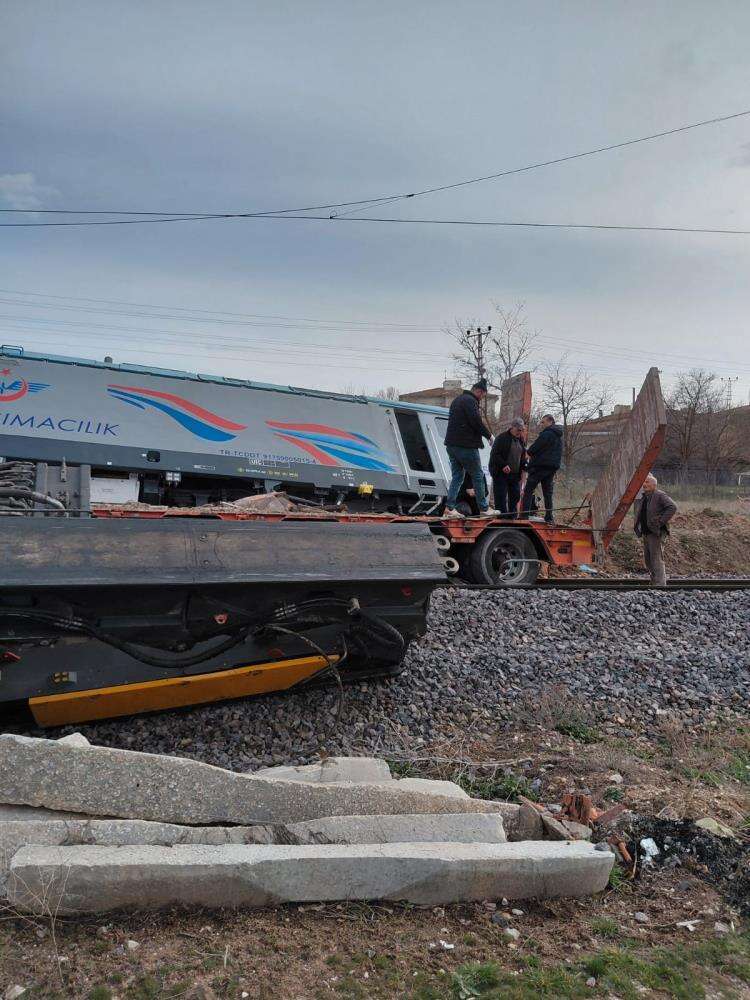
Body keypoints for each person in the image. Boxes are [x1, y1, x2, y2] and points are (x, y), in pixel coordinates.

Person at [443, 378, 499, 518]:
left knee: (457, 476)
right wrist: (489, 436)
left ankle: (449, 508)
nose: (481, 398)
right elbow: (475, 421)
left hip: (451, 445)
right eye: (482, 395)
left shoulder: (457, 400)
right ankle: (484, 508)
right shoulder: (470, 401)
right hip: (465, 445)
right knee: (478, 475)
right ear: (478, 391)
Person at [633, 473, 677, 587]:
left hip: (656, 532)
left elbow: (672, 507)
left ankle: (660, 585)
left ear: (654, 484)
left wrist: (661, 521)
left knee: (656, 558)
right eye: (644, 482)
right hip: (647, 532)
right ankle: (654, 581)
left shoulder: (659, 495)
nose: (644, 484)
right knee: (648, 559)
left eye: (647, 482)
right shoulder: (645, 496)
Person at [520, 414, 563, 523]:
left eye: (543, 422)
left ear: (550, 422)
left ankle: (524, 515)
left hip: (540, 466)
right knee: (547, 493)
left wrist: (527, 453)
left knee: (529, 489)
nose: (541, 424)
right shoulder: (558, 436)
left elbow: (535, 447)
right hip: (552, 468)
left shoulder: (547, 434)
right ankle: (549, 517)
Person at [489, 417, 526, 518]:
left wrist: (524, 465)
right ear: (512, 427)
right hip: (501, 473)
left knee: (515, 495)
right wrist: (503, 465)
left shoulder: (521, 440)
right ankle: (502, 517)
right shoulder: (502, 438)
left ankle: (512, 516)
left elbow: (522, 456)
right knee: (500, 496)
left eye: (522, 430)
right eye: (518, 430)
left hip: (514, 474)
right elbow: (495, 454)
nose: (520, 432)